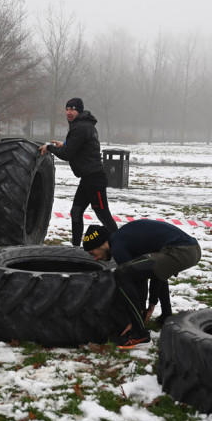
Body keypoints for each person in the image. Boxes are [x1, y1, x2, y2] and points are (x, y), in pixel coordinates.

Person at [82, 220, 201, 349]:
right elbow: (158, 273)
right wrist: (151, 306)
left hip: (181, 250)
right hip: (192, 248)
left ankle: (140, 335)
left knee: (121, 273)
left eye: (93, 253)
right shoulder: (124, 237)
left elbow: (136, 280)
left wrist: (137, 316)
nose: (95, 259)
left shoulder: (117, 246)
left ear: (101, 244)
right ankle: (166, 316)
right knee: (153, 268)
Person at [40, 98, 118, 246]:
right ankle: (75, 247)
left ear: (79, 111)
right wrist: (64, 144)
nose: (68, 113)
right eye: (67, 109)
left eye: (72, 109)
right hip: (87, 179)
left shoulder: (81, 127)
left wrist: (49, 148)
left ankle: (120, 244)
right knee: (76, 212)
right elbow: (80, 145)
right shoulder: (82, 125)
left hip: (95, 179)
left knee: (103, 214)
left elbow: (67, 154)